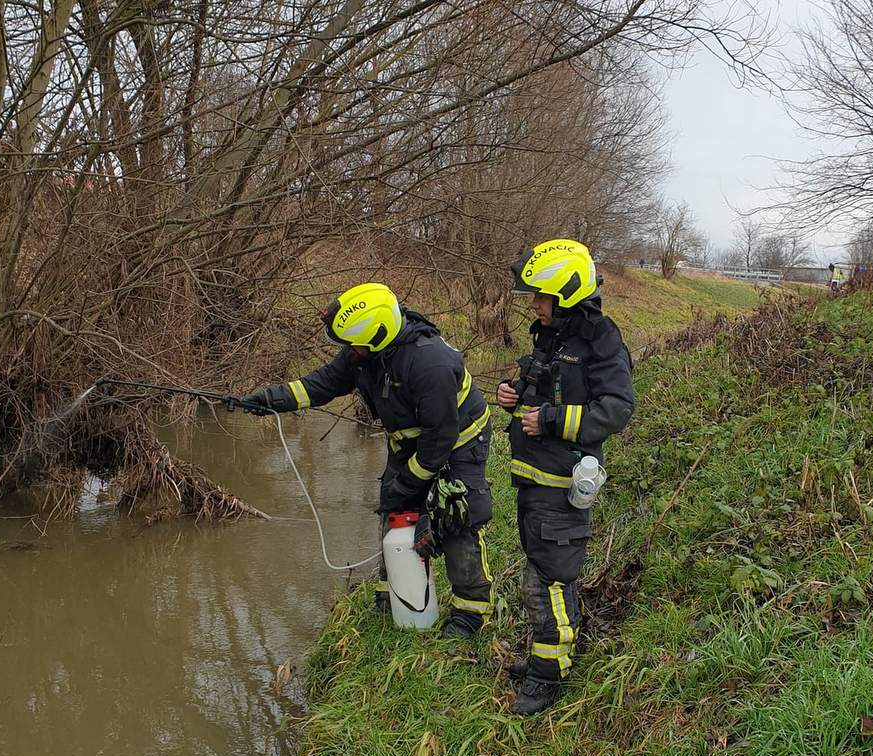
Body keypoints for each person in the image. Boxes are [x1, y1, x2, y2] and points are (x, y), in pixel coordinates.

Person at [236, 283, 494, 638]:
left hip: (458, 442)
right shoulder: (366, 353)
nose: (348, 352)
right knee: (393, 510)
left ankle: (470, 613)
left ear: (377, 335)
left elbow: (439, 440)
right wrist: (269, 400)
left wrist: (410, 485)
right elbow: (321, 384)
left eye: (353, 344)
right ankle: (392, 597)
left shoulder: (429, 362)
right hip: (411, 442)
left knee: (454, 520)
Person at [495, 239, 635, 715]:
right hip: (534, 478)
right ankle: (551, 653)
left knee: (547, 580)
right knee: (545, 570)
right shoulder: (550, 334)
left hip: (561, 482)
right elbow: (547, 383)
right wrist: (515, 393)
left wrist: (552, 420)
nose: (533, 304)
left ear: (568, 294)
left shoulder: (601, 339)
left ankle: (546, 676)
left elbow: (616, 410)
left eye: (541, 296)